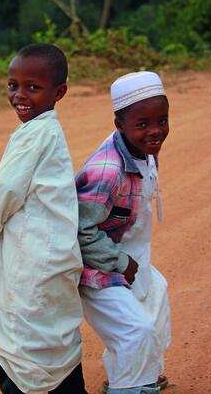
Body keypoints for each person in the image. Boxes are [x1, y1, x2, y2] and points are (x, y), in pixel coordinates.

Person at [0, 43, 88, 394]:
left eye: (33, 87)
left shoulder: (37, 134)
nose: (20, 95)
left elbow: (3, 193)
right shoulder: (41, 131)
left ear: (60, 92)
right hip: (48, 260)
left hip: (33, 265)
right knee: (52, 340)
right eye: (14, 85)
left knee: (24, 347)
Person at [76, 71, 171, 394]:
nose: (155, 131)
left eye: (162, 120)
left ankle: (143, 377)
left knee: (156, 299)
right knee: (136, 330)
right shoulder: (107, 171)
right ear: (120, 125)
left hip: (129, 257)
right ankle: (127, 388)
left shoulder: (142, 146)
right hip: (98, 268)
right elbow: (80, 231)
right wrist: (120, 261)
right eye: (143, 124)